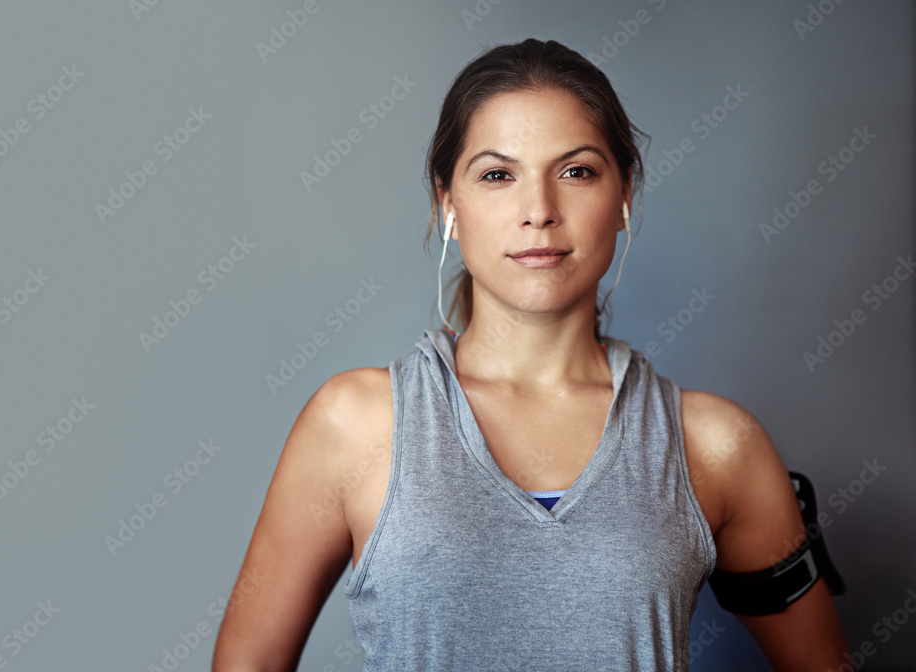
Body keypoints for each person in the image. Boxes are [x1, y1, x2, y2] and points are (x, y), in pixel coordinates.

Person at [212, 38, 850, 671]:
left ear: (624, 196)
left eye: (576, 172)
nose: (539, 211)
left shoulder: (715, 443)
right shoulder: (355, 424)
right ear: (448, 204)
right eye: (497, 175)